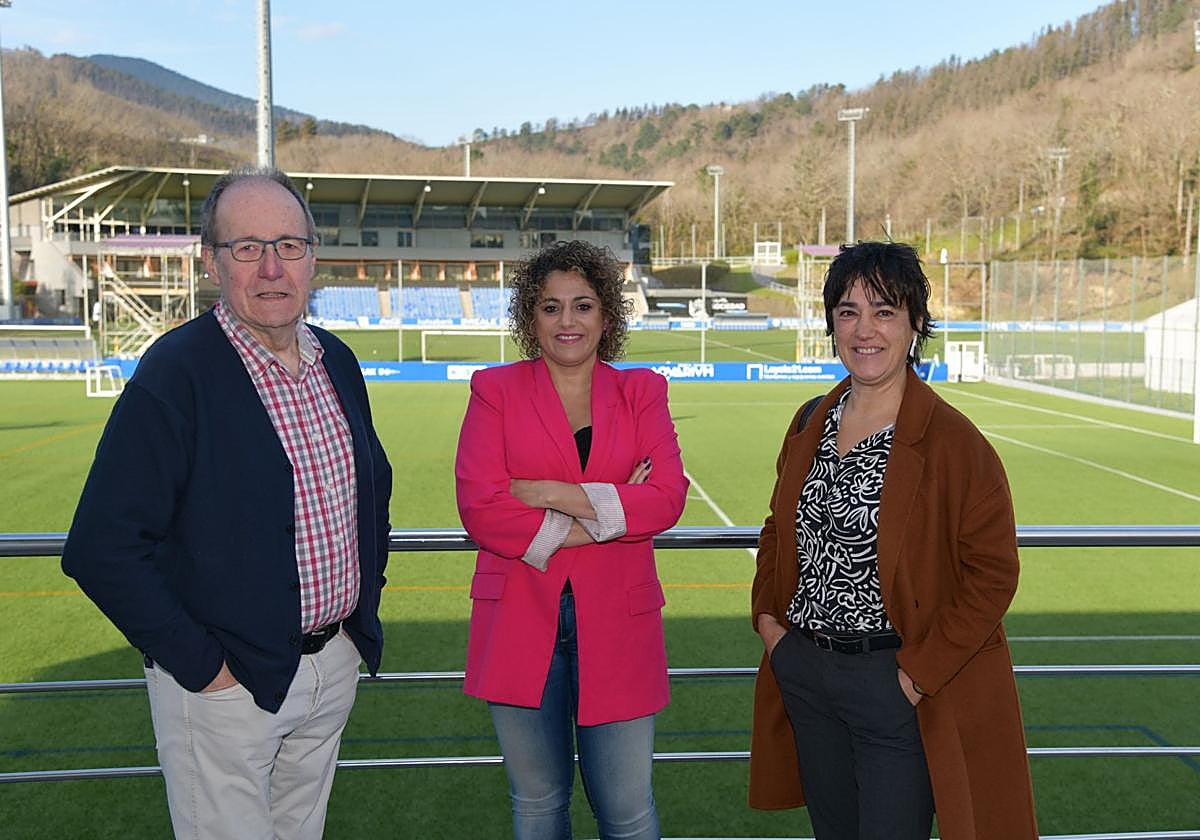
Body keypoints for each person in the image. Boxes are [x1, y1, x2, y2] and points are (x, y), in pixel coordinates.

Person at [61, 165, 393, 840]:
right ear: (213, 261)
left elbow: (368, 496)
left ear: (312, 257)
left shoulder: (337, 360)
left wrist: (357, 623)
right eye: (246, 247)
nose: (271, 268)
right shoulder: (177, 373)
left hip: (329, 668)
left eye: (288, 245)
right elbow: (100, 547)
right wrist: (205, 671)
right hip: (228, 685)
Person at [749, 241, 1037, 840]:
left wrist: (913, 677)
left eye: (884, 311)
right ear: (831, 324)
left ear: (915, 325)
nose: (864, 329)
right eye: (848, 311)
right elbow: (778, 528)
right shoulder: (809, 421)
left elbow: (993, 573)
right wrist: (771, 628)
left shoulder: (955, 443)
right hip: (806, 671)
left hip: (893, 684)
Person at [454, 240, 688, 840]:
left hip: (621, 621)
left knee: (628, 813)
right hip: (517, 621)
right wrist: (610, 509)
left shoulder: (643, 391)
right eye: (551, 306)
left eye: (582, 306)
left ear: (606, 315)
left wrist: (547, 491)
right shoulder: (494, 390)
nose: (567, 321)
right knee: (538, 806)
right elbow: (482, 509)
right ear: (530, 318)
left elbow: (664, 498)